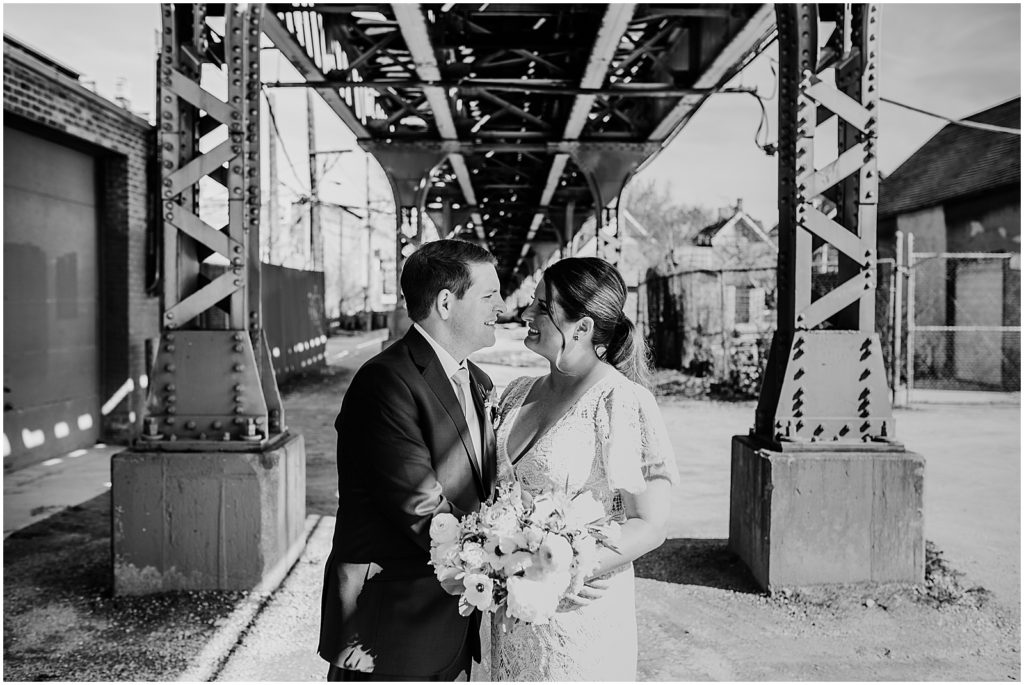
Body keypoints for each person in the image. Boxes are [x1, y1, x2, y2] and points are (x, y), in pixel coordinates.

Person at [318, 239, 505, 681]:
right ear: (445, 302)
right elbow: (421, 510)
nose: (501, 305)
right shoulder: (385, 382)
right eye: (489, 294)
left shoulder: (476, 380)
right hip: (390, 628)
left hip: (450, 619)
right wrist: (509, 557)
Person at [489, 256, 678, 681]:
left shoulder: (621, 401)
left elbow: (650, 523)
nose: (527, 315)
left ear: (583, 327)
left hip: (577, 618)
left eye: (542, 307)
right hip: (509, 614)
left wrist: (572, 563)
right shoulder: (517, 392)